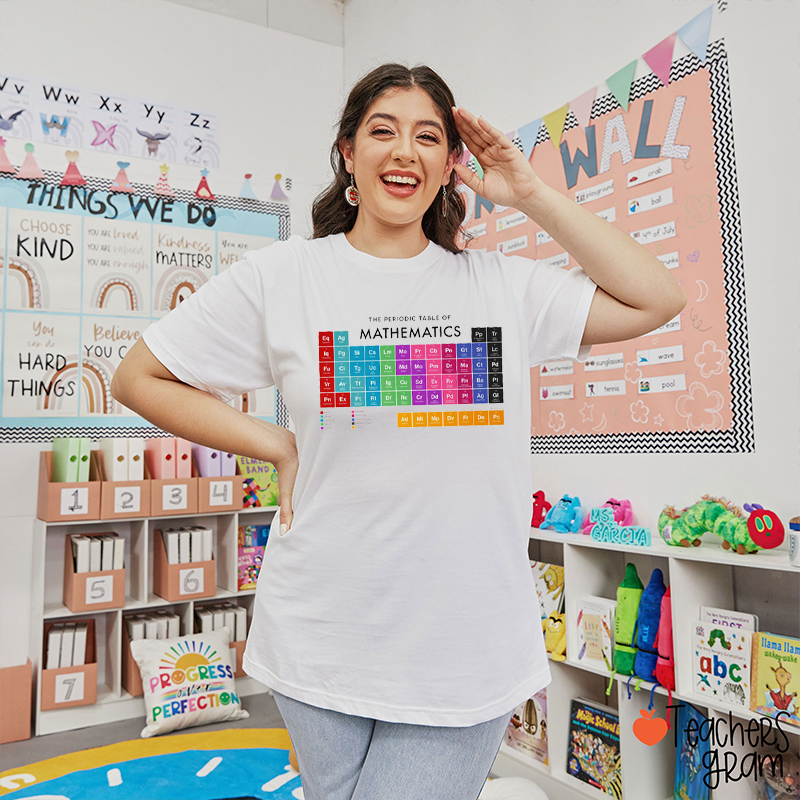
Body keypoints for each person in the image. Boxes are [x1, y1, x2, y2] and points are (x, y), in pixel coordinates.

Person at [112, 63, 685, 800]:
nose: (404, 151)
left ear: (450, 166)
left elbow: (656, 298)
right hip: (318, 631)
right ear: (348, 153)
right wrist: (275, 443)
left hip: (463, 643)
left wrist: (533, 195)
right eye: (382, 131)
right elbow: (139, 377)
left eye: (428, 136)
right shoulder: (284, 277)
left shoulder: (500, 286)